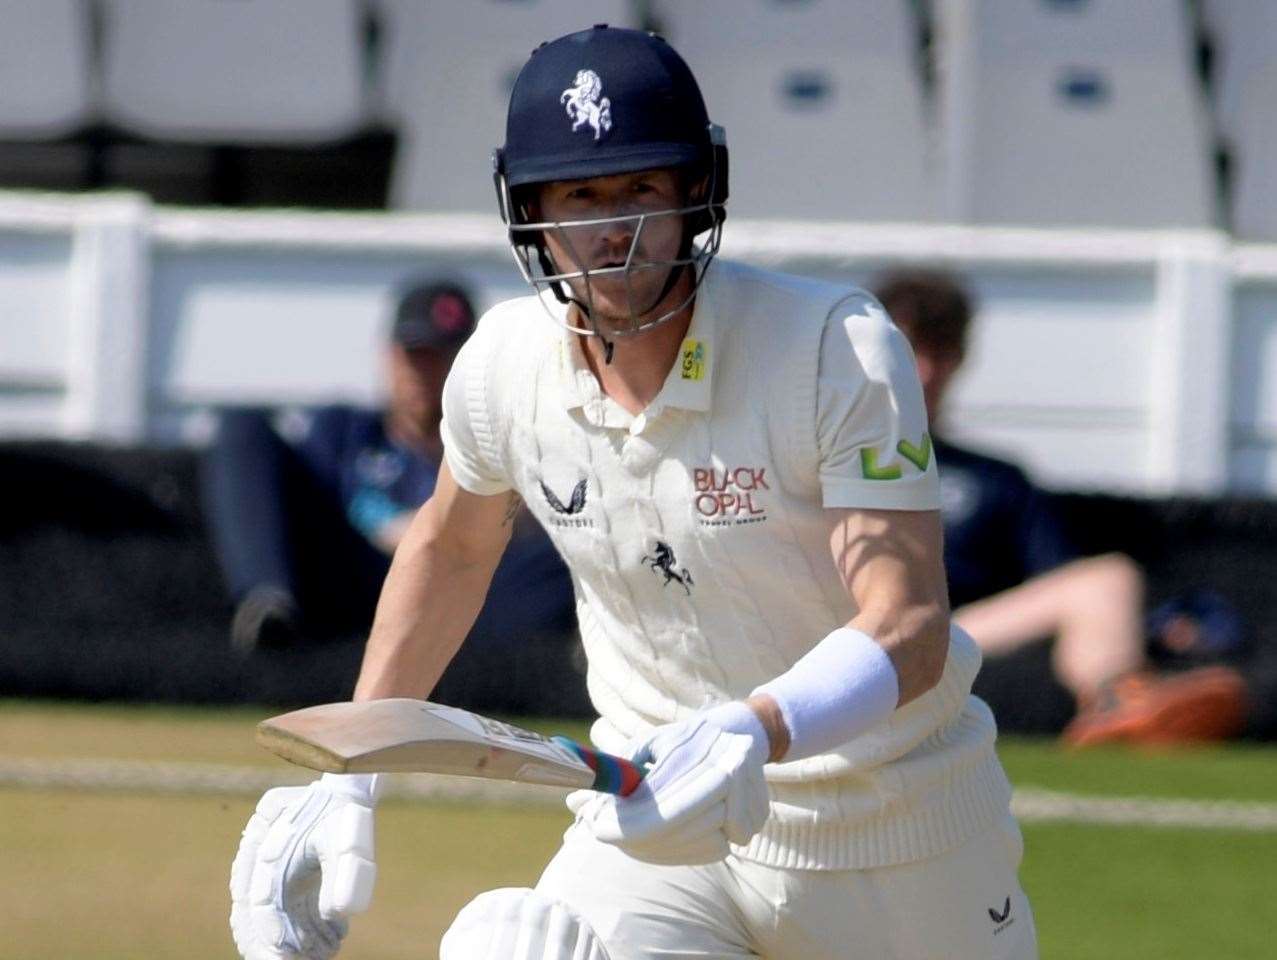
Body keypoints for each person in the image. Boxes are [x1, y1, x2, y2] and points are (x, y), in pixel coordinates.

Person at [229, 27, 1037, 960]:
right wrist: (353, 769)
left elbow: (909, 624)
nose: (612, 229)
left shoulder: (832, 348)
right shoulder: (503, 363)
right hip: (655, 825)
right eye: (580, 195)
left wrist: (752, 729)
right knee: (511, 948)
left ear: (695, 191)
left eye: (641, 188)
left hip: (894, 833)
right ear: (529, 207)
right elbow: (451, 548)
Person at [873, 269, 1249, 743]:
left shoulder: (996, 479)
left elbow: (1054, 579)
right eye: (911, 350)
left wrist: (1158, 627)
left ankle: (1120, 702)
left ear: (961, 359)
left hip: (954, 630)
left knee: (1106, 579)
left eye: (941, 351)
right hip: (848, 628)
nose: (926, 371)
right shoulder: (822, 455)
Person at [201, 279, 575, 654]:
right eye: (416, 355)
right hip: (354, 577)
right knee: (242, 424)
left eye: (445, 358)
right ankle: (266, 603)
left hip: (463, 597)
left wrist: (435, 532)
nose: (426, 374)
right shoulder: (343, 431)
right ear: (389, 356)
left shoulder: (509, 441)